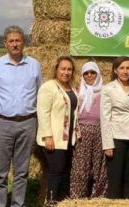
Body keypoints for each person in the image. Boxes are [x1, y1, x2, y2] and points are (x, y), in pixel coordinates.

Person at [0, 25, 43, 207]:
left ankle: (18, 204)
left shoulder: (34, 65)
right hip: (3, 123)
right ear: (5, 44)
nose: (14, 44)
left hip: (28, 123)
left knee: (21, 171)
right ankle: (1, 204)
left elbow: (39, 92)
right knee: (1, 171)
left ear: (23, 42)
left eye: (18, 40)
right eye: (11, 41)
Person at [36, 56, 79, 205]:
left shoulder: (71, 88)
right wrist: (48, 136)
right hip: (54, 139)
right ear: (56, 69)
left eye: (69, 69)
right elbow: (43, 112)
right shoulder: (49, 87)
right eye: (63, 69)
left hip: (68, 139)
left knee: (63, 172)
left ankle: (60, 202)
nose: (66, 72)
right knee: (56, 172)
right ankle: (51, 202)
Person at [100, 56, 129, 199]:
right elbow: (105, 118)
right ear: (115, 70)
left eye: (128, 68)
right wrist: (107, 144)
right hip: (117, 138)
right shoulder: (108, 89)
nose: (125, 71)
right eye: (122, 68)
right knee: (116, 178)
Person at [69, 61, 108, 198]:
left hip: (100, 131)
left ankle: (98, 198)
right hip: (82, 132)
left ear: (97, 74)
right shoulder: (78, 91)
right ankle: (77, 198)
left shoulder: (105, 91)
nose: (90, 76)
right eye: (86, 73)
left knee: (99, 168)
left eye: (93, 72)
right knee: (81, 167)